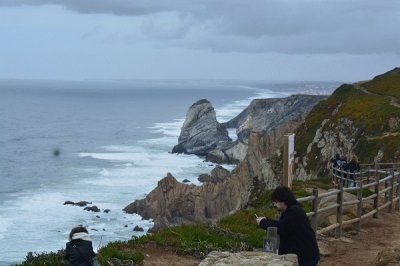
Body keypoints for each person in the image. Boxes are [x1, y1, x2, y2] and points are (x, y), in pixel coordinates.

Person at [256, 186, 320, 266]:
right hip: (304, 253)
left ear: (282, 200)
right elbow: (283, 224)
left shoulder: (294, 212)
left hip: (305, 256)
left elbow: (282, 228)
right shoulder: (291, 209)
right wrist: (266, 220)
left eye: (275, 202)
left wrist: (263, 222)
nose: (274, 205)